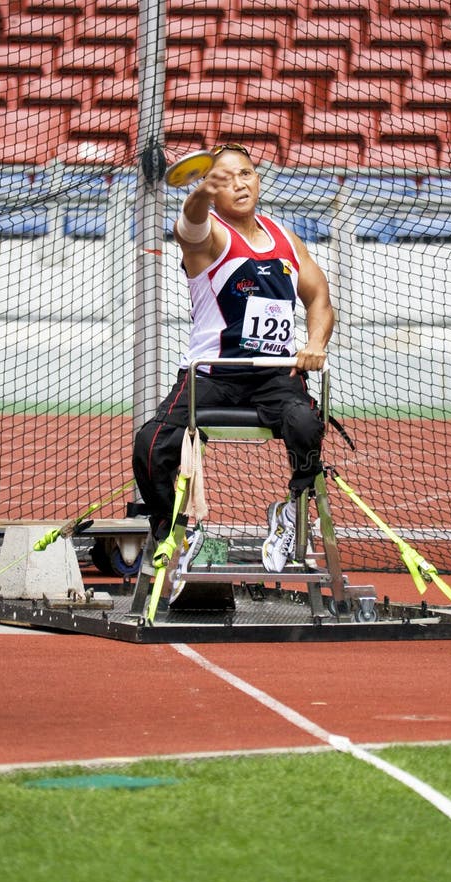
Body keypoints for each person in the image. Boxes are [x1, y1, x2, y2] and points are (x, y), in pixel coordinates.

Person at [132, 143, 335, 574]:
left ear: (258, 179)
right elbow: (189, 226)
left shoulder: (285, 238)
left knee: (305, 424)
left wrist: (315, 342)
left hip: (276, 375)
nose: (239, 184)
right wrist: (202, 193)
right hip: (213, 374)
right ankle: (174, 530)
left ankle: (292, 514)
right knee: (150, 444)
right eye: (225, 178)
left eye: (245, 173)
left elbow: (319, 298)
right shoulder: (212, 236)